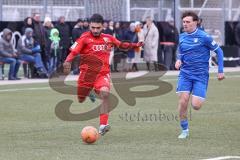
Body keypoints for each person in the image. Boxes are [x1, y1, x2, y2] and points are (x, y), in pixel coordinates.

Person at [63, 13, 143, 135]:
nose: (95, 30)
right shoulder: (84, 38)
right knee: (80, 98)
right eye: (93, 27)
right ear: (89, 26)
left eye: (98, 28)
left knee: (105, 94)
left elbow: (121, 44)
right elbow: (74, 52)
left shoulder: (108, 38)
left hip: (102, 74)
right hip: (87, 75)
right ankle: (90, 91)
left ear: (102, 27)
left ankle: (102, 125)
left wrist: (136, 45)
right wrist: (67, 60)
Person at [175, 11, 225, 139]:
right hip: (185, 74)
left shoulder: (204, 37)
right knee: (183, 101)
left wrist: (220, 70)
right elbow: (180, 52)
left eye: (188, 22)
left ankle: (198, 95)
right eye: (184, 22)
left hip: (200, 76)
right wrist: (179, 60)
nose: (185, 24)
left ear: (195, 22)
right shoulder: (181, 36)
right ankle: (184, 129)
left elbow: (219, 52)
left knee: (196, 105)